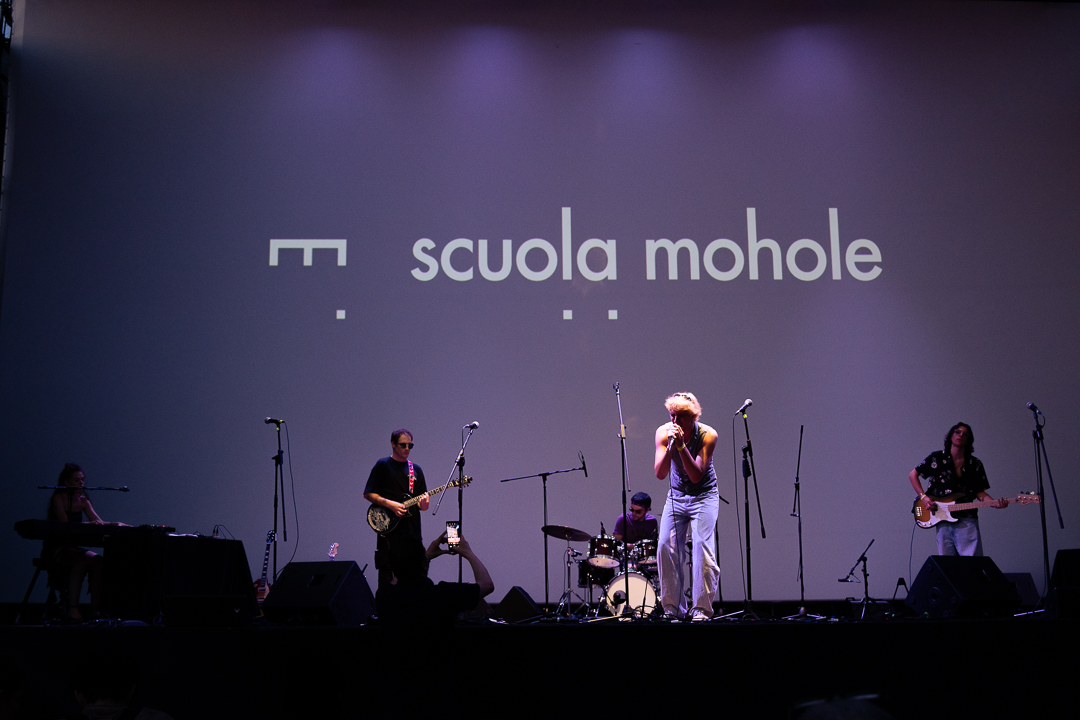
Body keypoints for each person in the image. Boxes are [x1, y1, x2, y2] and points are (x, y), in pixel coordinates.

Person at [654, 392, 720, 621]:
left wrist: (682, 447)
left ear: (693, 417)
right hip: (676, 496)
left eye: (680, 416)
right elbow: (660, 473)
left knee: (702, 546)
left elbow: (696, 475)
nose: (674, 421)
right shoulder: (663, 432)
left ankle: (701, 609)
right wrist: (671, 446)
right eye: (672, 415)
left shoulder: (708, 435)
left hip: (704, 495)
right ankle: (673, 608)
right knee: (665, 545)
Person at [909, 422, 1007, 556]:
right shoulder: (936, 458)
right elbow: (913, 475)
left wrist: (994, 503)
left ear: (969, 440)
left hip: (967, 520)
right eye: (957, 432)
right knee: (948, 565)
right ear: (951, 436)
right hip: (942, 520)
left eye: (965, 434)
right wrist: (924, 498)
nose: (961, 435)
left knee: (971, 565)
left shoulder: (975, 464)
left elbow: (979, 492)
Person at [375, 531, 494, 627]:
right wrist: (468, 553)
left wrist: (424, 558)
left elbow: (399, 572)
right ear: (423, 564)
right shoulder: (443, 595)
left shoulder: (384, 596)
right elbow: (487, 585)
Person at [363, 429, 430, 588]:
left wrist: (425, 502)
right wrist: (390, 504)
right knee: (388, 581)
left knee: (416, 581)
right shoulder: (383, 465)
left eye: (410, 445)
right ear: (393, 444)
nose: (407, 448)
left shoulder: (416, 470)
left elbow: (423, 507)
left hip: (412, 535)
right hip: (389, 534)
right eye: (403, 445)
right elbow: (368, 494)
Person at [46, 464, 109, 620]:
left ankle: (95, 610)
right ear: (67, 482)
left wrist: (117, 524)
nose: (81, 483)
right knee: (80, 561)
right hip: (58, 548)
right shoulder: (59, 498)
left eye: (82, 480)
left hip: (73, 548)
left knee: (98, 561)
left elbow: (98, 522)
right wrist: (89, 524)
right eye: (76, 480)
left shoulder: (83, 501)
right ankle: (73, 609)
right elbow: (65, 524)